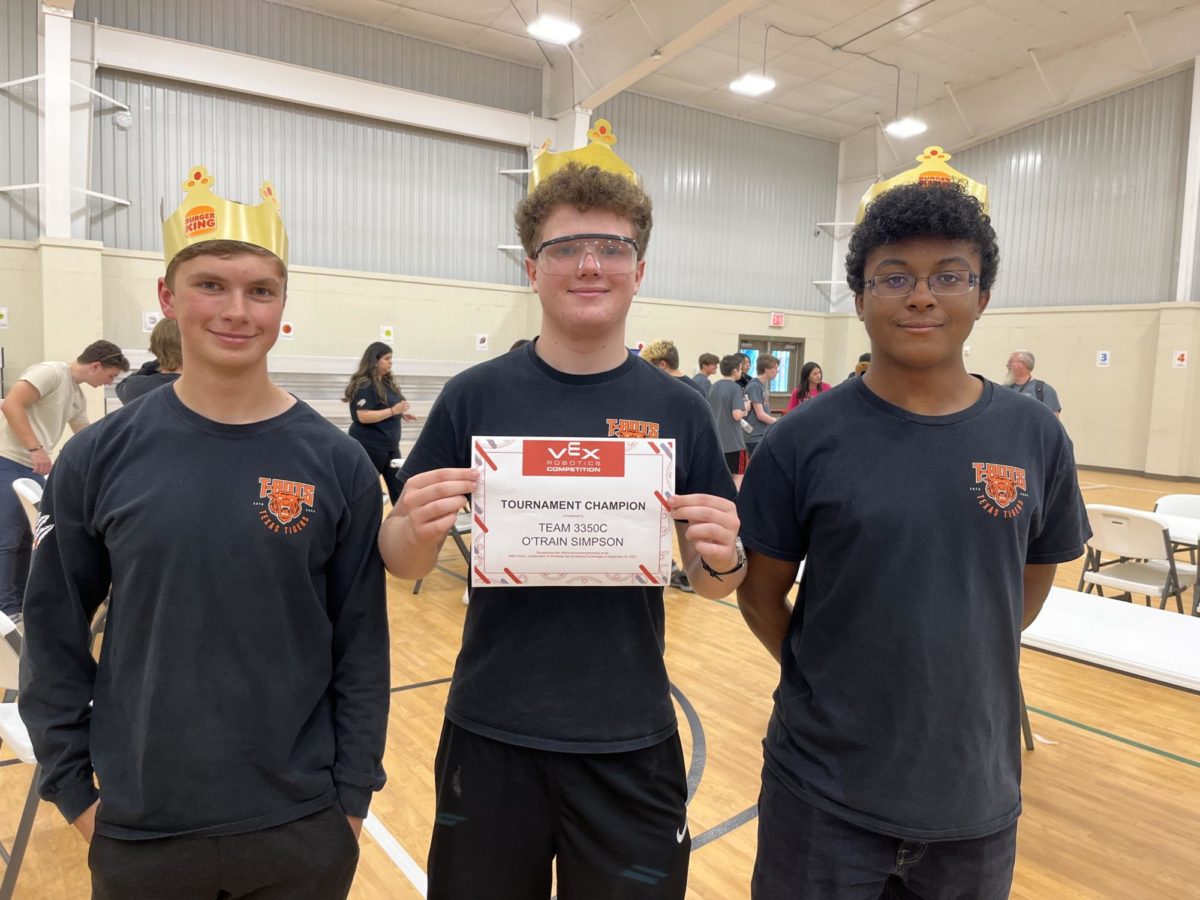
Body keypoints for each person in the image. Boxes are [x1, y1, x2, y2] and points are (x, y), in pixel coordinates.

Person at [19, 167, 389, 900]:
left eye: (260, 290)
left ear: (283, 305)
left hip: (302, 825)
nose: (236, 310)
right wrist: (79, 797)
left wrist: (349, 804)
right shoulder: (100, 456)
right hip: (139, 825)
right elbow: (54, 631)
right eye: (210, 284)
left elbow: (361, 647)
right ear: (168, 296)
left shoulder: (336, 463)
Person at [378, 156, 742, 900]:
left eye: (611, 248)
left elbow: (712, 587)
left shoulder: (678, 409)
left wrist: (725, 555)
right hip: (490, 731)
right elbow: (402, 562)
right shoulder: (474, 396)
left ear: (639, 270)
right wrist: (412, 526)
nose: (589, 265)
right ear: (531, 269)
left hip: (631, 738)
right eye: (564, 249)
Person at [736, 180, 1089, 899]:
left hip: (976, 799)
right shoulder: (803, 439)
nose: (921, 296)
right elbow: (761, 593)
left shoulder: (1035, 436)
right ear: (862, 299)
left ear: (982, 296)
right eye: (894, 277)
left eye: (948, 276)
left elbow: (1025, 589)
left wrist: (947, 656)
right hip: (822, 793)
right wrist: (838, 676)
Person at [0, 339, 128, 619]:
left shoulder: (76, 396)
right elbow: (11, 404)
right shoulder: (51, 373)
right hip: (8, 460)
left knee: (28, 539)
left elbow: (88, 438)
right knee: (8, 539)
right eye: (109, 376)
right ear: (96, 365)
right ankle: (4, 607)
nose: (108, 382)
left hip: (32, 468)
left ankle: (17, 606)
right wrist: (36, 448)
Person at [345, 341, 414, 505]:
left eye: (391, 358)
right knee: (366, 491)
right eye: (387, 358)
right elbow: (363, 416)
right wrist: (393, 411)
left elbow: (388, 406)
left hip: (390, 446)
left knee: (399, 488)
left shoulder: (386, 382)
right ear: (375, 361)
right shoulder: (365, 384)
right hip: (371, 446)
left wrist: (402, 414)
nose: (391, 362)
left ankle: (401, 527)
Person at [115, 318, 183, 403]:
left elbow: (121, 386)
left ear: (154, 347)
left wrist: (159, 361)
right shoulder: (199, 390)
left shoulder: (136, 387)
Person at [708, 354, 750, 490]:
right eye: (740, 368)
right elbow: (737, 415)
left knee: (720, 476)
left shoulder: (713, 387)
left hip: (717, 441)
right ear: (735, 371)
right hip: (734, 443)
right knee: (739, 475)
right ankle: (734, 502)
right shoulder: (735, 388)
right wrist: (746, 409)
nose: (742, 371)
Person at [1006, 349, 1062, 417]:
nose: (1007, 365)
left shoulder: (1044, 390)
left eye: (1011, 362)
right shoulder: (1005, 389)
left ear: (1023, 364)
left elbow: (1053, 421)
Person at [745, 354, 779, 458]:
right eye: (775, 368)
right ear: (766, 369)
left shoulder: (761, 386)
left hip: (762, 434)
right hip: (755, 436)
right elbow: (760, 414)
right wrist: (779, 422)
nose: (777, 371)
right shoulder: (754, 386)